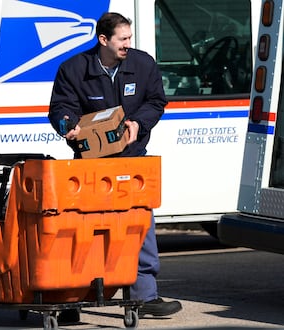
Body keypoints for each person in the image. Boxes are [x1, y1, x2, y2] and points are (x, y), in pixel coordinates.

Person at [48, 12, 182, 321]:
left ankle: (145, 296)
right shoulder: (74, 70)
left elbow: (156, 101)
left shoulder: (143, 64)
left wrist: (139, 121)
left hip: (133, 160)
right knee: (87, 231)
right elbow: (60, 108)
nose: (127, 44)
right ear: (103, 40)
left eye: (129, 38)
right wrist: (67, 124)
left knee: (139, 225)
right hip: (91, 166)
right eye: (122, 39)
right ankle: (75, 298)